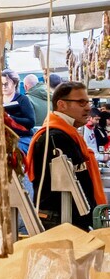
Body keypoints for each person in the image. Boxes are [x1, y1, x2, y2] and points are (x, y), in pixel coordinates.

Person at [27, 80, 107, 230]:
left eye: (88, 102)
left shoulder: (66, 134)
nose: (88, 108)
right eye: (82, 103)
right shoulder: (55, 137)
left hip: (66, 218)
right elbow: (70, 187)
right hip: (61, 220)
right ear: (62, 105)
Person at [2, 71, 37, 152]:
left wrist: (10, 118)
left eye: (6, 84)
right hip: (3, 138)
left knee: (17, 150)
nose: (3, 87)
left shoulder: (23, 99)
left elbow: (31, 122)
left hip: (22, 138)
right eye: (1, 84)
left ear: (15, 84)